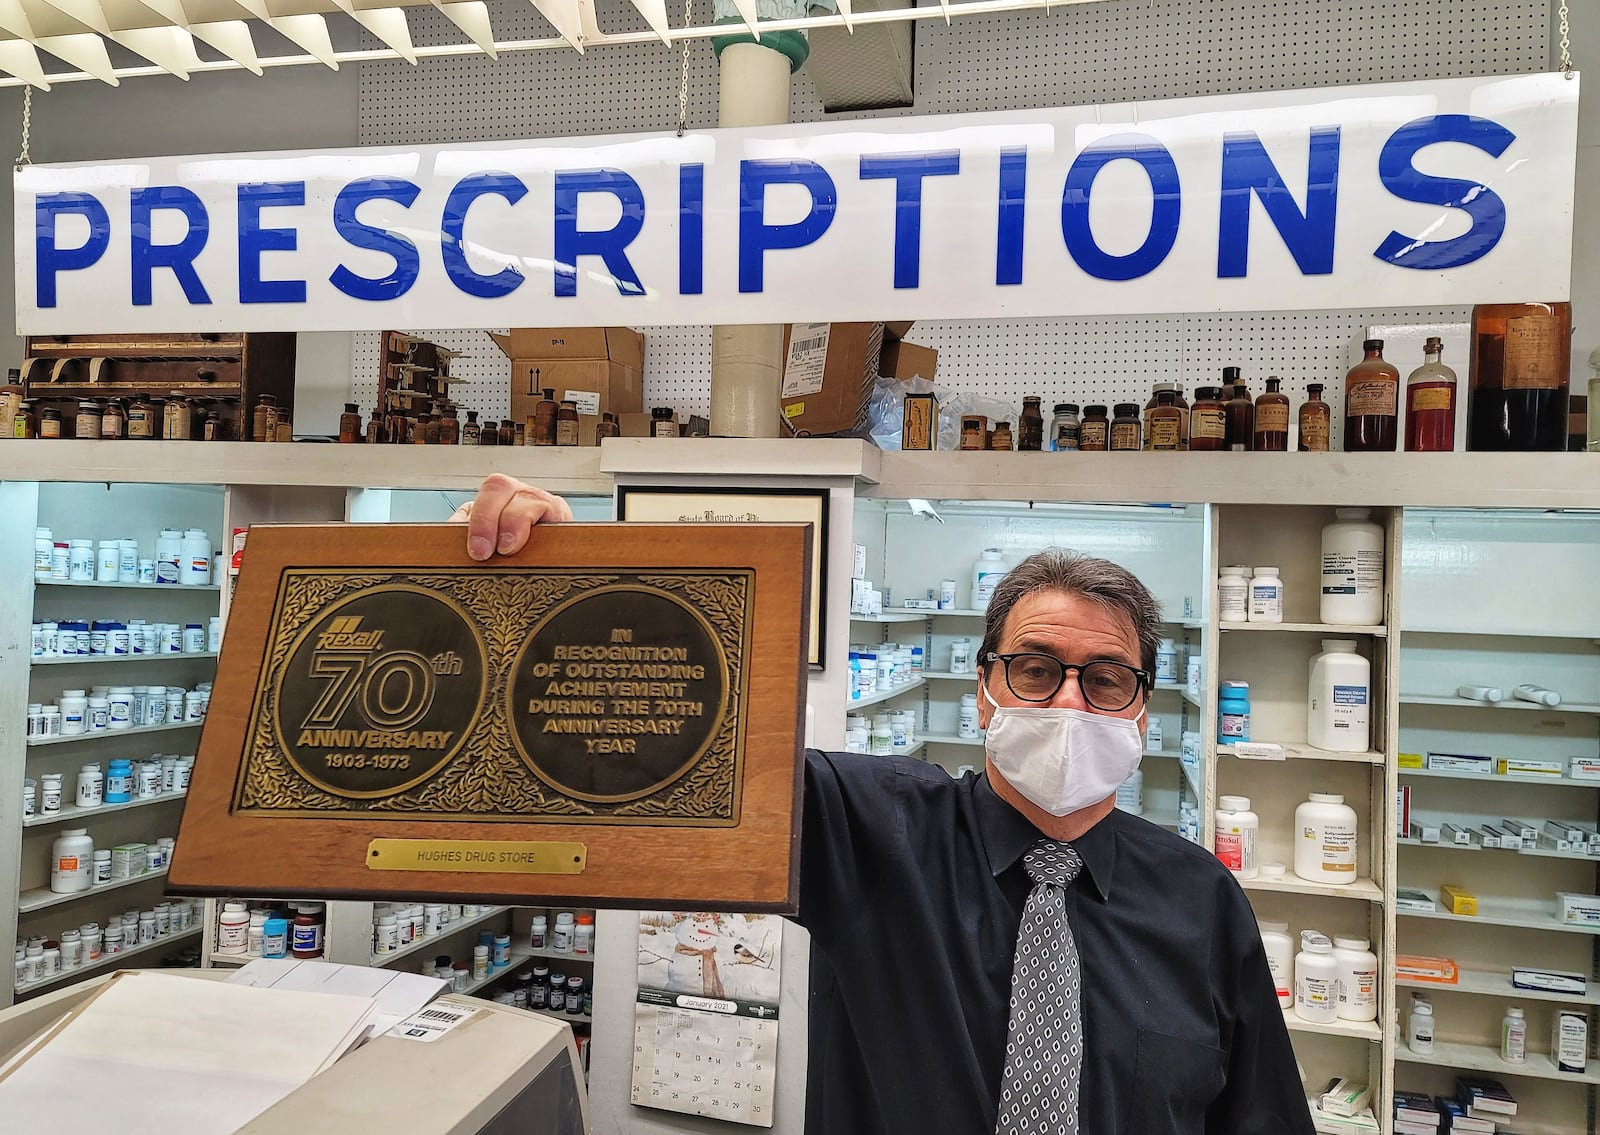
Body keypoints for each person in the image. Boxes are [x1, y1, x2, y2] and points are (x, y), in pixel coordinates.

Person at [457, 473, 1314, 1135]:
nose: (1067, 705)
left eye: (1105, 680)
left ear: (1141, 705)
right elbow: (651, 761)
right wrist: (553, 595)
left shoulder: (1201, 901)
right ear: (985, 690)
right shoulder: (872, 829)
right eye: (1036, 669)